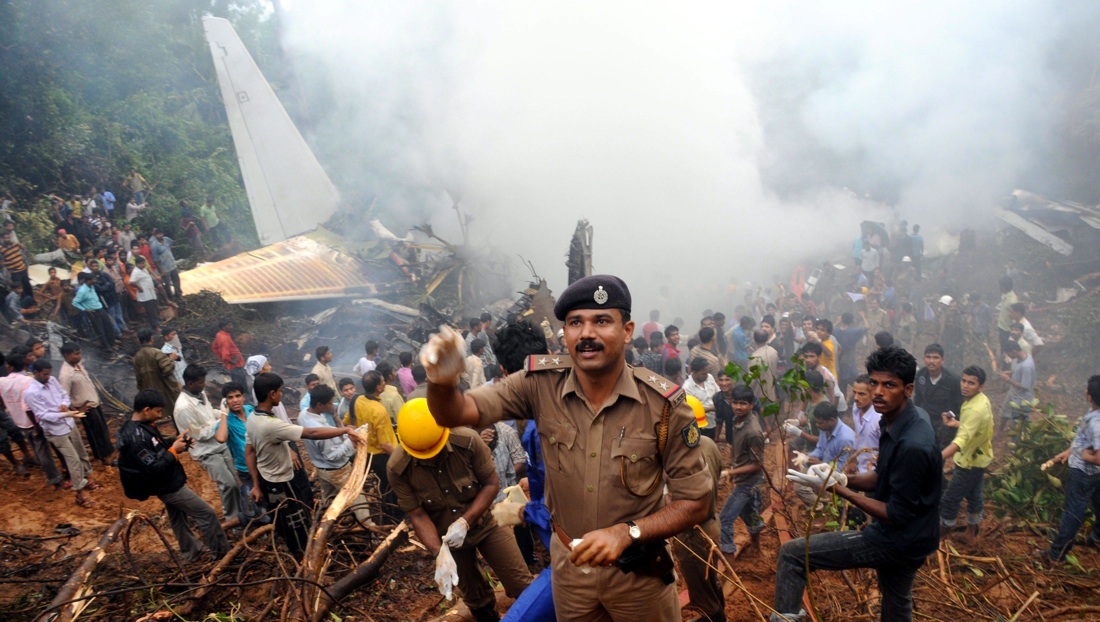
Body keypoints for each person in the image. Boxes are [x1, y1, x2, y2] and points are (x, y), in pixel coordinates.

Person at [420, 274, 711, 620]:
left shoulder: (664, 406)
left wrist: (628, 532)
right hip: (570, 571)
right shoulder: (539, 384)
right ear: (565, 333)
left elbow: (696, 502)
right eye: (575, 323)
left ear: (628, 330)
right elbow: (455, 413)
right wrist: (441, 381)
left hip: (639, 574)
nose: (586, 333)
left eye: (601, 321)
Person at [777, 347, 942, 622]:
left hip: (896, 539)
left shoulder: (912, 444)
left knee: (793, 554)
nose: (878, 391)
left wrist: (837, 489)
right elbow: (883, 476)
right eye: (874, 383)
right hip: (918, 537)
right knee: (897, 605)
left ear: (908, 389)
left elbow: (895, 513)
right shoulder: (901, 421)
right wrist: (843, 477)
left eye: (889, 385)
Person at [388, 399, 533, 622]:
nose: (430, 456)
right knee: (475, 598)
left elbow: (491, 484)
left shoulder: (467, 440)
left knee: (521, 584)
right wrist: (439, 552)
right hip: (448, 539)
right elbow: (416, 513)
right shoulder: (397, 468)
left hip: (487, 523)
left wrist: (466, 521)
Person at [246, 372, 359, 557]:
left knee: (284, 521)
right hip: (282, 481)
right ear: (272, 393)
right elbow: (311, 433)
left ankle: (297, 552)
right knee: (296, 522)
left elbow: (249, 452)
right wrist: (346, 429)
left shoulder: (253, 418)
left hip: (267, 481)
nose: (282, 395)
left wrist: (256, 485)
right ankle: (306, 563)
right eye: (280, 391)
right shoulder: (270, 424)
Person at [117, 389, 229, 562]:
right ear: (146, 410)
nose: (160, 415)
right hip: (168, 487)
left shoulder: (142, 427)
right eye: (158, 411)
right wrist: (173, 451)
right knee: (206, 514)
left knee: (178, 518)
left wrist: (173, 441)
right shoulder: (136, 438)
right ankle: (222, 554)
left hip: (168, 481)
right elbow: (153, 468)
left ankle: (192, 552)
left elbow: (156, 448)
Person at [1036, 375, 1100, 562]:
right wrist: (1070, 451)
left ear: (1089, 396)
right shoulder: (1094, 414)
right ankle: (1097, 538)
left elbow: (1098, 457)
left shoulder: (1096, 423)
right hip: (1095, 476)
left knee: (1073, 512)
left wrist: (1081, 454)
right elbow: (1085, 440)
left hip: (1084, 474)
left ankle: (1056, 554)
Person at [173, 364, 244, 529]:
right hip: (206, 452)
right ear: (190, 383)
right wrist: (223, 420)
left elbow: (209, 413)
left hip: (220, 445)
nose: (204, 384)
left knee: (237, 480)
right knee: (227, 484)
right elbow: (199, 434)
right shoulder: (183, 407)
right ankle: (233, 523)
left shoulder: (199, 393)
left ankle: (243, 515)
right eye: (200, 382)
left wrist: (223, 413)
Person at [24, 360, 98, 507]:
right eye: (45, 374)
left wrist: (64, 404)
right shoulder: (31, 393)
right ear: (36, 373)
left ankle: (87, 478)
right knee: (73, 459)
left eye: (49, 373)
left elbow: (64, 394)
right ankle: (80, 493)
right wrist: (65, 414)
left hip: (69, 423)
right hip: (56, 431)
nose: (48, 376)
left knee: (81, 452)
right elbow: (43, 415)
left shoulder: (51, 380)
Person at [298, 384, 372, 524]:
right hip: (337, 470)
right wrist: (351, 440)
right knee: (357, 498)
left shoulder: (304, 414)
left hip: (322, 469)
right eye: (330, 403)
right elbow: (332, 456)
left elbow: (330, 432)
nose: (332, 404)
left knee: (329, 499)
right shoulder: (319, 428)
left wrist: (341, 425)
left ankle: (324, 525)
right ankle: (369, 526)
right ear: (320, 404)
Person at [672, 433, 726, 622]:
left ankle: (715, 617)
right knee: (711, 580)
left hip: (693, 533)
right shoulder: (708, 443)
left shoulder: (680, 453)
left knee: (703, 591)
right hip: (711, 524)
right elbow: (718, 471)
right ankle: (718, 615)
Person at [939, 366, 993, 545]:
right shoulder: (979, 401)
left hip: (969, 462)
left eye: (971, 383)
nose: (965, 386)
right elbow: (971, 428)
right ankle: (971, 534)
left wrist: (938, 457)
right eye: (964, 381)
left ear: (981, 386)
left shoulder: (975, 409)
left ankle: (938, 538)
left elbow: (960, 441)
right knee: (974, 495)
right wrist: (957, 424)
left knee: (949, 499)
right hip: (979, 458)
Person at [344, 370, 401, 521]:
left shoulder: (357, 400)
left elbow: (347, 422)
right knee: (390, 486)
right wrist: (399, 457)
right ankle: (393, 515)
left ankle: (388, 512)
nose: (384, 383)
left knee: (383, 483)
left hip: (365, 452)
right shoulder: (379, 410)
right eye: (382, 382)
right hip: (381, 455)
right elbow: (384, 444)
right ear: (378, 387)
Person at [718, 384, 766, 559]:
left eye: (743, 403)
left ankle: (728, 564)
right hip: (741, 477)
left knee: (725, 519)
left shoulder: (753, 432)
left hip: (748, 482)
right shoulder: (735, 419)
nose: (738, 407)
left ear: (752, 405)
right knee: (750, 515)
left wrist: (729, 473)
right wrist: (733, 469)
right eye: (735, 402)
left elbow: (758, 464)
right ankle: (757, 547)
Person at [58, 343, 114, 466]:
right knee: (95, 433)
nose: (79, 356)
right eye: (76, 354)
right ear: (67, 355)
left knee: (102, 429)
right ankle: (102, 457)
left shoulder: (78, 366)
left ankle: (108, 451)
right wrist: (78, 410)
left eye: (80, 353)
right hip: (86, 408)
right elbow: (63, 397)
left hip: (94, 403)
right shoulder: (66, 375)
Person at [913, 344, 963, 450]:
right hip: (925, 423)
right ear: (924, 359)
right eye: (928, 357)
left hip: (944, 425)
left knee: (938, 458)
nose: (931, 361)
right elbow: (918, 399)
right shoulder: (920, 375)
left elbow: (960, 405)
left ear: (942, 360)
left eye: (935, 358)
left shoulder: (953, 380)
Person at [133, 328, 181, 422]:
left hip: (149, 391)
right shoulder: (156, 352)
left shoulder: (136, 357)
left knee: (153, 416)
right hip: (165, 389)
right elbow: (167, 370)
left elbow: (138, 379)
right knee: (174, 412)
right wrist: (171, 359)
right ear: (151, 339)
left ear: (139, 341)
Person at [997, 340, 1036, 434]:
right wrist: (1009, 373)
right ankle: (1000, 431)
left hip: (1022, 399)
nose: (1008, 356)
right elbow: (1016, 371)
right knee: (1004, 410)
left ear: (1014, 351)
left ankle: (1017, 443)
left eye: (1008, 353)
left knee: (1018, 423)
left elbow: (1025, 386)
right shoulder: (1017, 359)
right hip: (1013, 392)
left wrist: (1008, 380)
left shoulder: (1026, 366)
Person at [849, 374, 881, 475]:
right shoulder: (856, 408)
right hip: (858, 468)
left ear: (873, 394)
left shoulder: (879, 419)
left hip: (873, 473)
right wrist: (853, 459)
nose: (856, 398)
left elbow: (885, 450)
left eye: (861, 394)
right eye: (854, 393)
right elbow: (858, 437)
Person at [682, 357, 719, 437]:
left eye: (707, 373)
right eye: (703, 374)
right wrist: (710, 408)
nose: (706, 376)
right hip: (701, 425)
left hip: (714, 421)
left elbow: (718, 392)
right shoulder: (687, 388)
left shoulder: (709, 377)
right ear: (694, 372)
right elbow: (690, 410)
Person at [212, 320, 247, 389]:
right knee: (242, 386)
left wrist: (220, 356)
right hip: (236, 366)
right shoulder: (224, 339)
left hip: (233, 366)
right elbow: (225, 356)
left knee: (236, 384)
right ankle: (246, 399)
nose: (232, 327)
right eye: (229, 325)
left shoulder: (220, 334)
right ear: (223, 327)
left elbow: (214, 347)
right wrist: (232, 361)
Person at [149, 230, 180, 300]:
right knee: (167, 283)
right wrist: (161, 271)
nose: (159, 236)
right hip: (164, 267)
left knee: (176, 279)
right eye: (157, 235)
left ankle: (178, 294)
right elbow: (156, 260)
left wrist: (169, 250)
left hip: (172, 264)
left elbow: (171, 243)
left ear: (162, 234)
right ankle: (170, 298)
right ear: (155, 236)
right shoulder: (154, 246)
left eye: (160, 234)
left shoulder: (166, 239)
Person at [130, 256, 159, 328]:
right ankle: (155, 326)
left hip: (150, 293)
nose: (144, 265)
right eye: (142, 263)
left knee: (154, 309)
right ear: (138, 264)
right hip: (145, 296)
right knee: (150, 312)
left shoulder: (143, 269)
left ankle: (156, 323)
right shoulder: (135, 272)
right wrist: (139, 287)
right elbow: (131, 282)